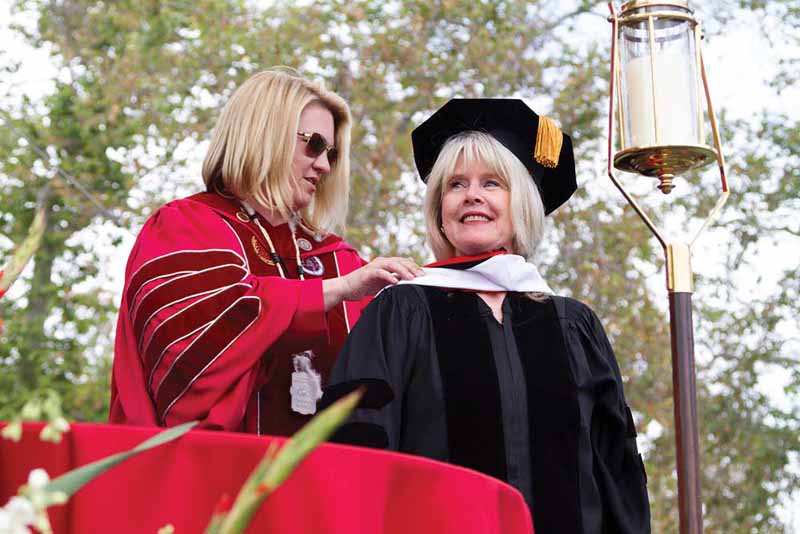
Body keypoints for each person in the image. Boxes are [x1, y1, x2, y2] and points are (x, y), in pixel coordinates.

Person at [321, 99, 651, 533]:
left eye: (492, 183)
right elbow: (355, 456)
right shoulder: (400, 313)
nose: (472, 194)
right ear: (441, 209)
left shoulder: (573, 325)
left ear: (523, 205)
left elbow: (616, 469)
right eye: (456, 184)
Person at [110, 69, 422, 435]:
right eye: (314, 144)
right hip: (209, 477)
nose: (324, 165)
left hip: (321, 483)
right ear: (265, 136)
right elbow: (189, 363)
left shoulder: (338, 260)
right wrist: (330, 292)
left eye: (331, 153)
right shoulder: (185, 226)